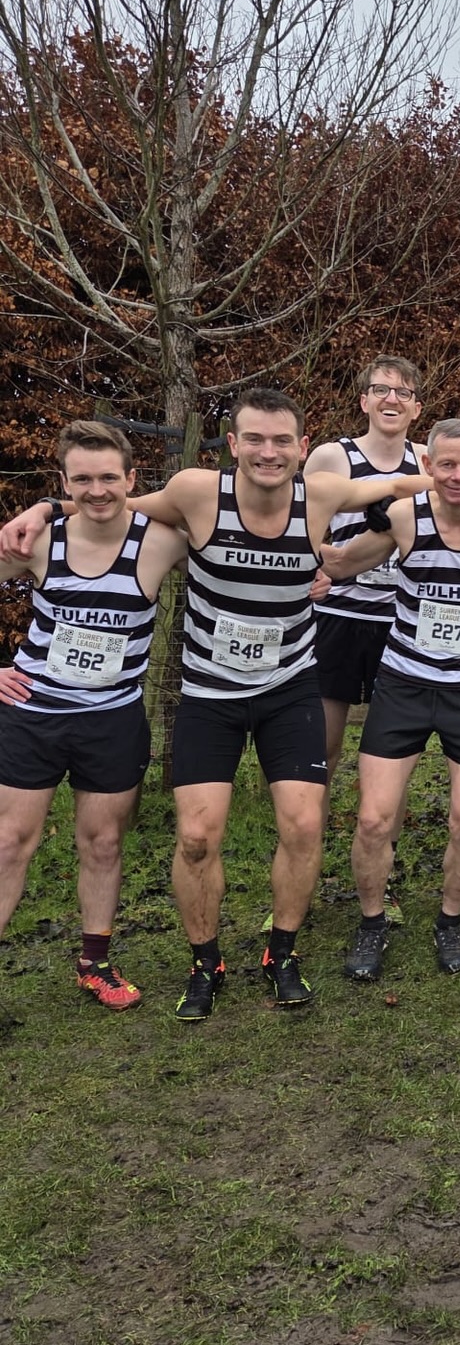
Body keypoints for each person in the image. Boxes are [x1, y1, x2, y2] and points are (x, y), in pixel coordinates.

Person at [0, 388, 460, 1020]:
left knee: (303, 826)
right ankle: (206, 963)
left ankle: (283, 954)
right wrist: (46, 503)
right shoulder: (197, 492)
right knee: (196, 836)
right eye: (254, 439)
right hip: (210, 693)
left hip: (289, 689)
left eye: (282, 441)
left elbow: (413, 481)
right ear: (233, 445)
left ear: (304, 449)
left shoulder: (322, 494)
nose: (268, 452)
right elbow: (108, 500)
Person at [320, 420, 460, 982]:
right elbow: (340, 562)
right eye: (447, 465)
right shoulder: (407, 516)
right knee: (372, 820)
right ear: (428, 466)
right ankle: (371, 923)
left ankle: (450, 918)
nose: (458, 476)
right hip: (405, 685)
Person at [0, 422, 187, 1009]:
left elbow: (242, 546)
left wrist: (316, 575)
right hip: (34, 714)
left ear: (133, 479)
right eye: (82, 479)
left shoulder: (161, 540)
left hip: (112, 719)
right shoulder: (38, 541)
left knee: (103, 843)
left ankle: (94, 962)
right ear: (64, 483)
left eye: (110, 478)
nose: (98, 490)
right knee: (10, 842)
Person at [305, 356, 425, 783]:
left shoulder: (428, 463)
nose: (391, 399)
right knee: (322, 747)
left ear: (416, 408)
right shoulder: (332, 456)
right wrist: (321, 564)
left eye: (403, 393)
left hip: (400, 622)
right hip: (338, 616)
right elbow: (300, 531)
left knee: (390, 755)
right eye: (381, 390)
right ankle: (308, 842)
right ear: (364, 401)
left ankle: (379, 841)